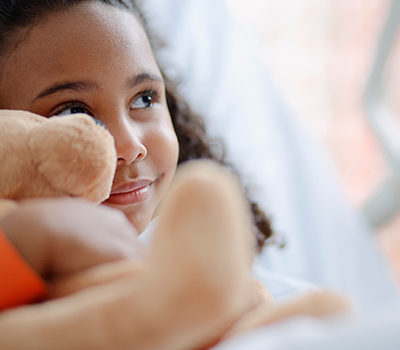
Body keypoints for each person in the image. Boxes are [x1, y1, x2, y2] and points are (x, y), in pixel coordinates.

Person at [0, 0, 275, 346]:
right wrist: (28, 240)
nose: (130, 147)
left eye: (144, 99)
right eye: (71, 112)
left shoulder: (214, 279)